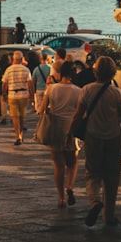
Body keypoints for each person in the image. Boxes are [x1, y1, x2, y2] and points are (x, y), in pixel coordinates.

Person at [68, 55, 121, 227]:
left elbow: (78, 115)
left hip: (93, 136)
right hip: (114, 137)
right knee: (112, 177)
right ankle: (109, 216)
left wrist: (69, 133)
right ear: (112, 72)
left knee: (92, 173)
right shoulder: (116, 92)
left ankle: (95, 201)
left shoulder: (87, 90)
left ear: (96, 71)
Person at [38, 60, 82, 208]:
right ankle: (69, 187)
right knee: (72, 162)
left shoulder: (51, 89)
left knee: (58, 165)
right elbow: (81, 112)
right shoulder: (78, 90)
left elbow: (41, 110)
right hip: (71, 127)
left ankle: (61, 198)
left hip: (55, 128)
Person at [1, 50, 34, 145]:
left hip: (12, 94)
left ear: (13, 59)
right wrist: (32, 95)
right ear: (21, 59)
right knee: (22, 116)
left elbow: (4, 83)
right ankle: (21, 134)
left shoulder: (9, 69)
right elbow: (30, 83)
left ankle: (18, 136)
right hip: (23, 94)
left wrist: (4, 94)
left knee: (14, 117)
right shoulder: (26, 69)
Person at [0, 52, 12, 124]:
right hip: (10, 86)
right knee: (10, 103)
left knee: (3, 103)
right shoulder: (10, 67)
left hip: (1, 85)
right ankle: (12, 117)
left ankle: (4, 117)